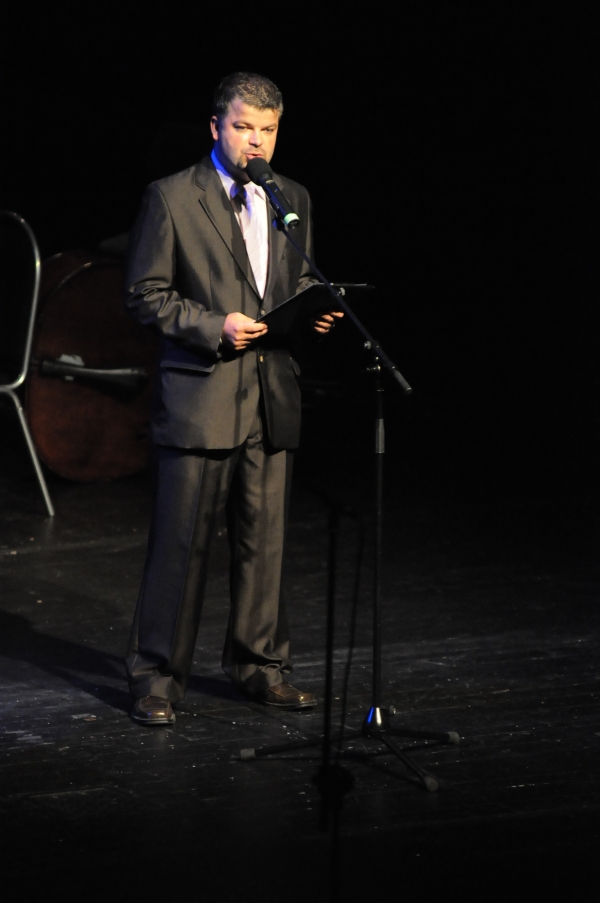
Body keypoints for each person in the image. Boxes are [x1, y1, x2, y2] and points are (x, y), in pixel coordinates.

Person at [125, 72, 342, 725]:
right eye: (244, 127)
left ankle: (261, 666)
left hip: (270, 395)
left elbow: (293, 283)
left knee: (264, 543)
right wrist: (212, 324)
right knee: (182, 547)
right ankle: (158, 677)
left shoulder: (291, 196)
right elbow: (145, 295)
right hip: (203, 395)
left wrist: (312, 316)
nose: (256, 141)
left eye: (268, 130)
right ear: (217, 126)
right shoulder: (172, 196)